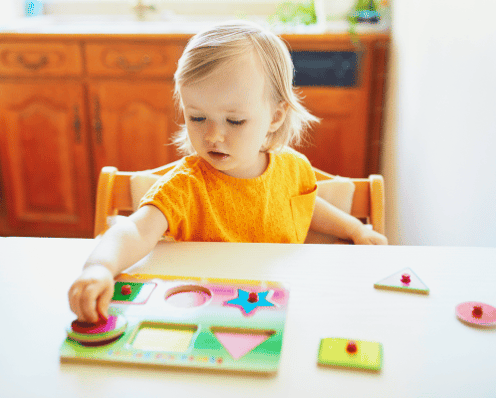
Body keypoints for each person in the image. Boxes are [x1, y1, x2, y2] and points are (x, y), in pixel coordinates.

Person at [68, 20, 388, 323]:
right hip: (202, 313)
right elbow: (135, 230)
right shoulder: (185, 186)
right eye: (197, 117)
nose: (213, 136)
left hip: (276, 308)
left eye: (234, 121)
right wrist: (99, 267)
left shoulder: (292, 169)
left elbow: (308, 206)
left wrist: (355, 230)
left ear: (275, 117)